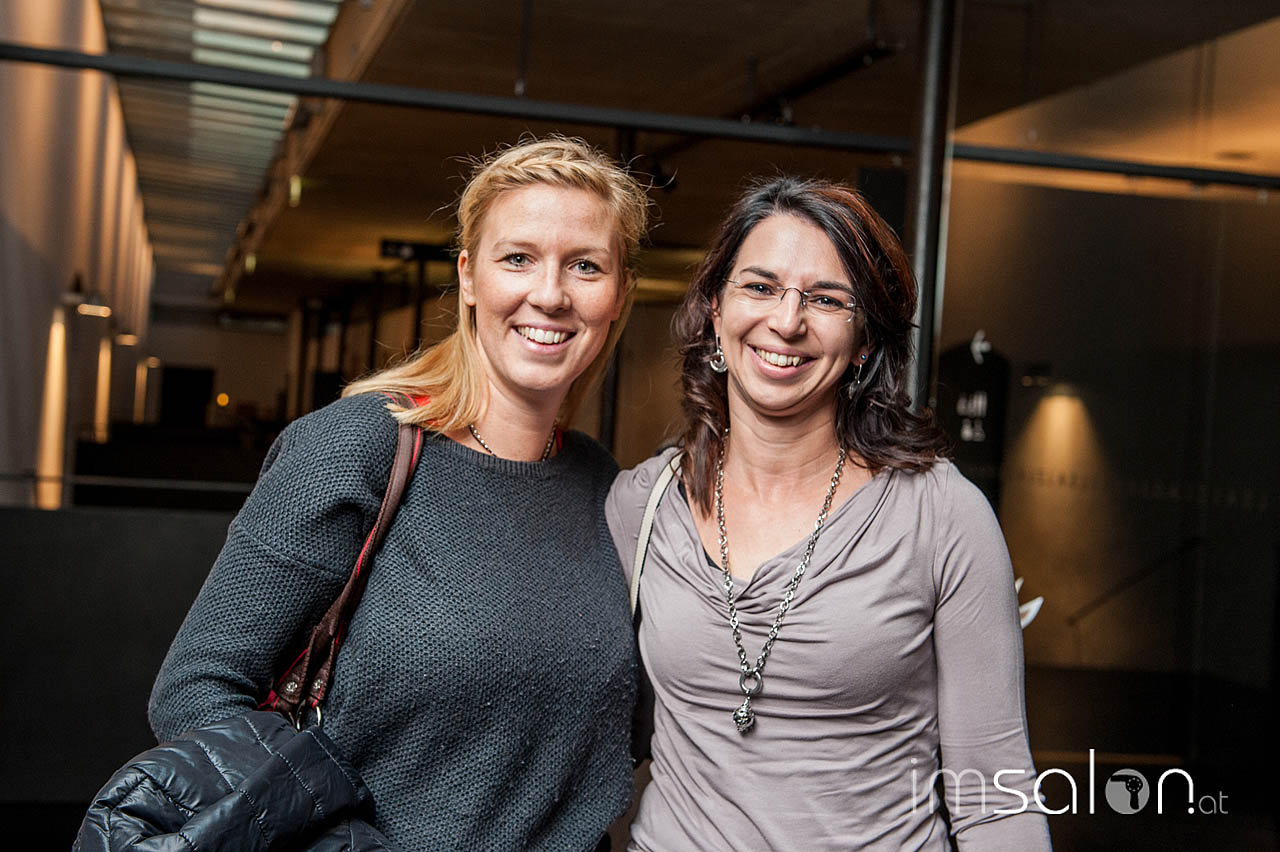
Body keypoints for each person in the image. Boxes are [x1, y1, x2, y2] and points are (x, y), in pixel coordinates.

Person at [149, 136, 651, 851]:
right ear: (468, 277)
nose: (550, 294)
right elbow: (196, 689)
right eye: (518, 258)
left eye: (586, 266)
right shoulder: (358, 446)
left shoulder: (605, 487)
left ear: (619, 293)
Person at [606, 176, 1052, 850]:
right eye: (760, 287)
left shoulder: (942, 514)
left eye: (826, 299)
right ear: (716, 312)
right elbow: (599, 746)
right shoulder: (641, 505)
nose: (787, 321)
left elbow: (995, 798)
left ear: (865, 339)